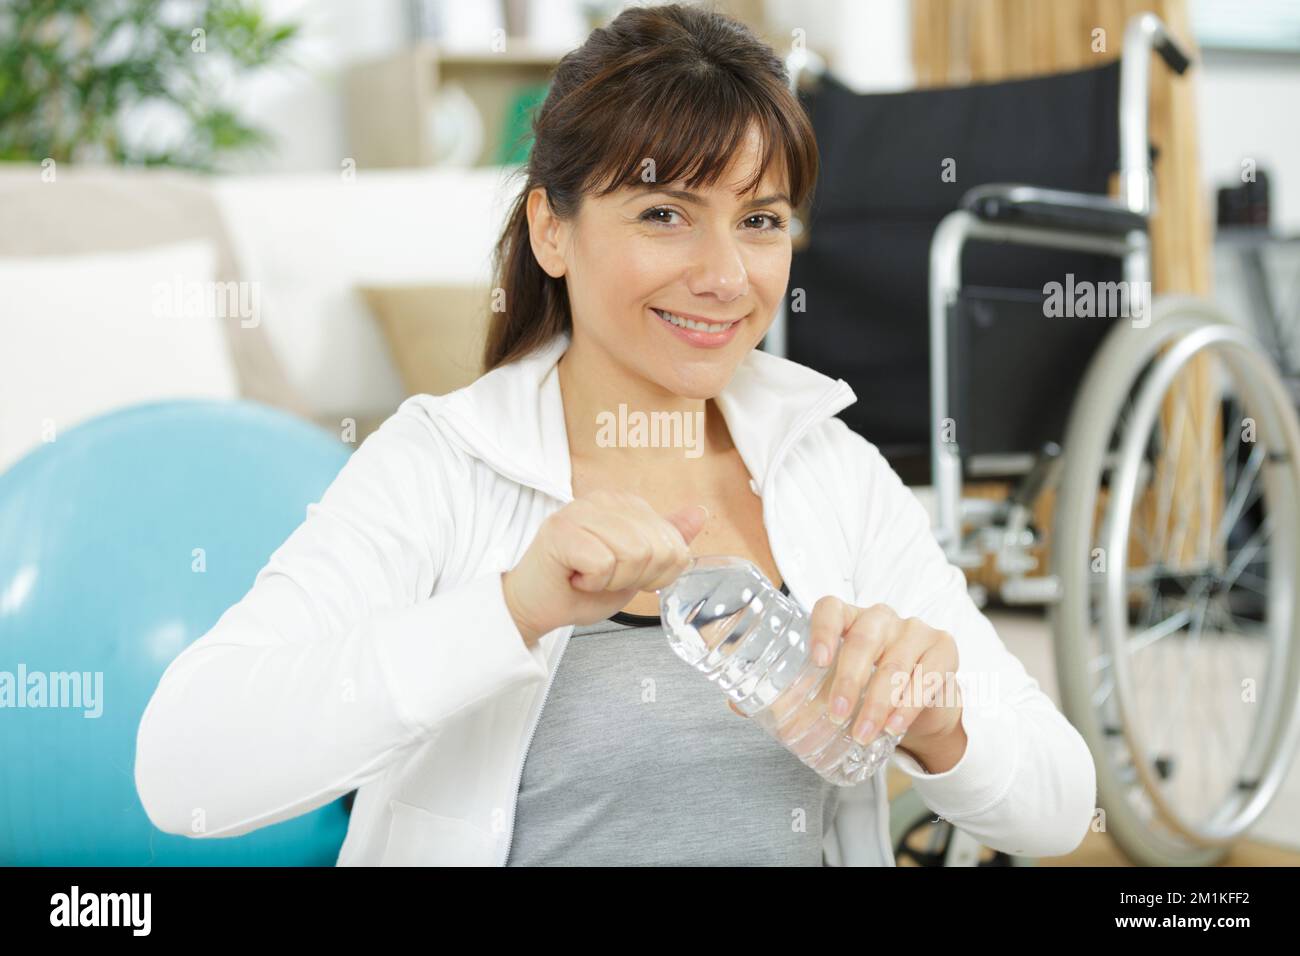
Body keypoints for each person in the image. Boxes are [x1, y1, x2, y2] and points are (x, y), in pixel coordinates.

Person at [135, 2, 1096, 866]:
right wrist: (514, 609)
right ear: (552, 230)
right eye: (665, 214)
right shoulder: (440, 466)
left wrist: (940, 724)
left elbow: (1063, 809)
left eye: (760, 220)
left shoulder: (830, 470)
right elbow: (184, 768)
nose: (726, 276)